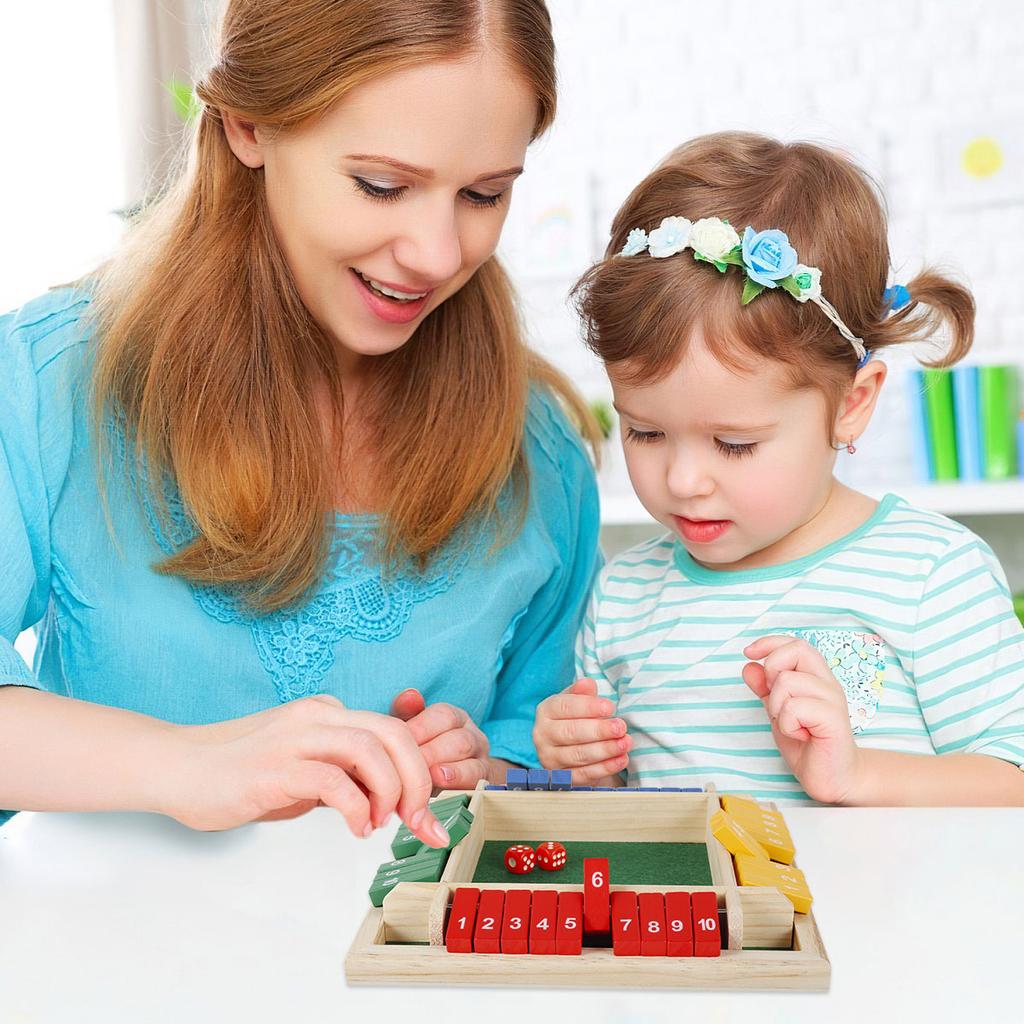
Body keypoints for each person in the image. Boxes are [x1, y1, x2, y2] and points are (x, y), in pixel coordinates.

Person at [0, 0, 601, 839]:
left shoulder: (538, 452)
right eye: (382, 185)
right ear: (248, 125)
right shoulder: (45, 382)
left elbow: (546, 761)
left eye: (483, 194)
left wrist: (483, 766)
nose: (437, 253)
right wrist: (189, 764)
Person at [533, 131, 1024, 805]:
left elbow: (1013, 779)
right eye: (644, 432)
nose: (682, 481)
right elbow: (624, 806)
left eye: (734, 444)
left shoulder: (930, 574)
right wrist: (584, 766)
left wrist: (859, 774)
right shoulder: (622, 597)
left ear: (851, 405)